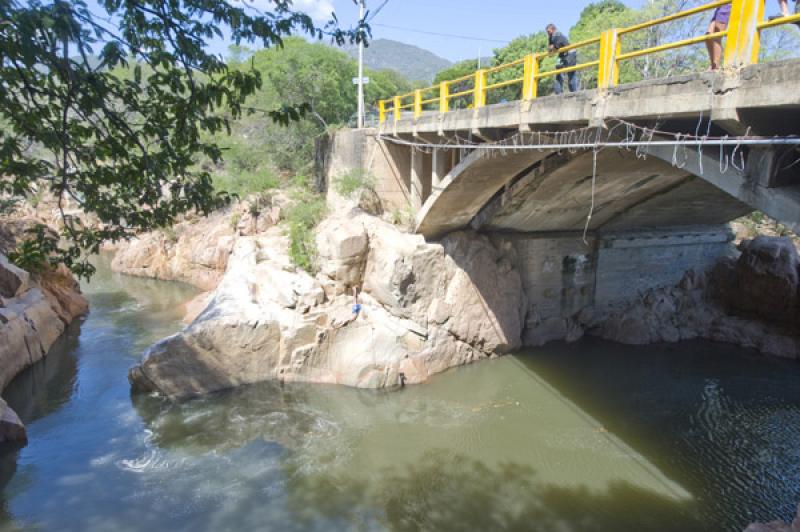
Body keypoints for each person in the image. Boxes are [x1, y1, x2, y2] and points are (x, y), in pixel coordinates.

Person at [546, 24, 578, 94]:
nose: (548, 33)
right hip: (562, 54)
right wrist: (551, 48)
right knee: (558, 72)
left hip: (570, 52)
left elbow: (554, 47)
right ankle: (558, 92)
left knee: (571, 73)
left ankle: (574, 92)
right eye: (547, 32)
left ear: (553, 29)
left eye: (549, 31)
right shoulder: (551, 37)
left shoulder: (558, 34)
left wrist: (552, 48)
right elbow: (550, 50)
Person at [706, 4, 731, 70]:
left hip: (727, 5)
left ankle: (715, 66)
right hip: (720, 6)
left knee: (717, 36)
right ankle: (713, 65)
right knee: (708, 36)